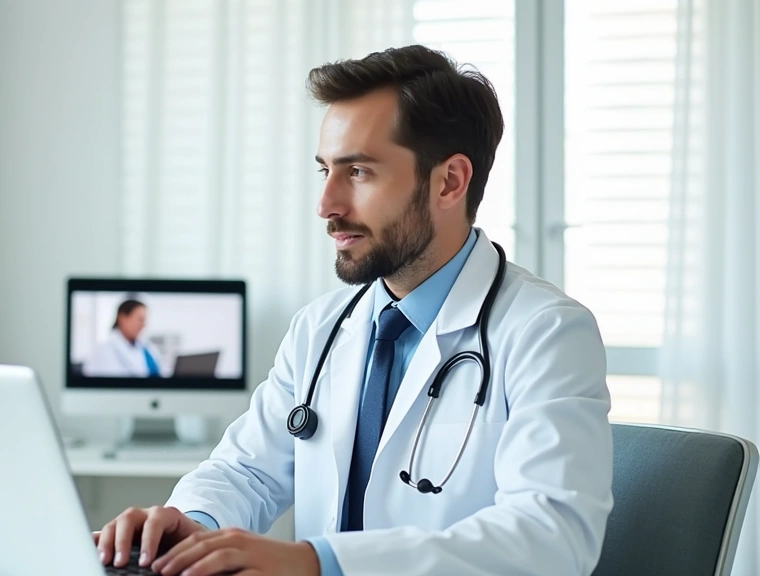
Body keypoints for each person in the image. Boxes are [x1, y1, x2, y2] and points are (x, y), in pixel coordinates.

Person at [95, 44, 613, 576]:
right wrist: (192, 524)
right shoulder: (320, 328)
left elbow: (551, 536)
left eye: (359, 171)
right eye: (325, 171)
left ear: (450, 181)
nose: (327, 205)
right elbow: (247, 471)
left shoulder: (546, 332)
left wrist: (320, 563)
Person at [83, 299, 166, 378]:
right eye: (140, 319)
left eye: (144, 320)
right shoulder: (103, 351)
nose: (143, 325)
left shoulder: (147, 348)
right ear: (122, 318)